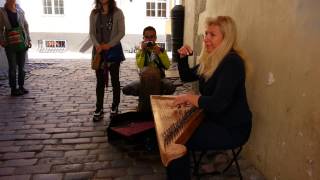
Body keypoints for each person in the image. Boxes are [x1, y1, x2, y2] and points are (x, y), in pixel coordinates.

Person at [166, 16, 252, 180]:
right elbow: (187, 76)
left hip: (232, 128)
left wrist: (191, 99)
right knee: (176, 128)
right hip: (213, 118)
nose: (206, 39)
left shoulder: (232, 63)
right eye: (206, 34)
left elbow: (218, 103)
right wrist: (183, 58)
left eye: (212, 35)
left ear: (226, 38)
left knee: (177, 141)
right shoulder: (211, 58)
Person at [122, 26, 175, 112]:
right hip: (144, 79)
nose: (149, 39)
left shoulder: (161, 50)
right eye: (147, 37)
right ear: (143, 38)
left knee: (170, 87)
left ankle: (155, 103)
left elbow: (167, 66)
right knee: (126, 89)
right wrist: (143, 51)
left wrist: (160, 54)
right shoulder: (140, 51)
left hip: (160, 78)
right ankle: (147, 105)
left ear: (155, 38)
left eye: (152, 37)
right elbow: (140, 66)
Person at [89, 0, 125, 121]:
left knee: (115, 80)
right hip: (99, 52)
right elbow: (92, 33)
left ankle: (115, 106)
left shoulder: (118, 13)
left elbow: (121, 32)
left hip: (113, 52)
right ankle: (99, 108)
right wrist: (97, 45)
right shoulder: (94, 14)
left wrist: (109, 45)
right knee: (99, 82)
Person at [0, 0, 31, 96]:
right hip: (10, 42)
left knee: (21, 67)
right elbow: (0, 28)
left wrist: (28, 39)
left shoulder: (19, 9)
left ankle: (21, 86)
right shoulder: (2, 11)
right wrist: (1, 39)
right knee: (12, 67)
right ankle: (13, 89)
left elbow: (25, 25)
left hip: (22, 41)